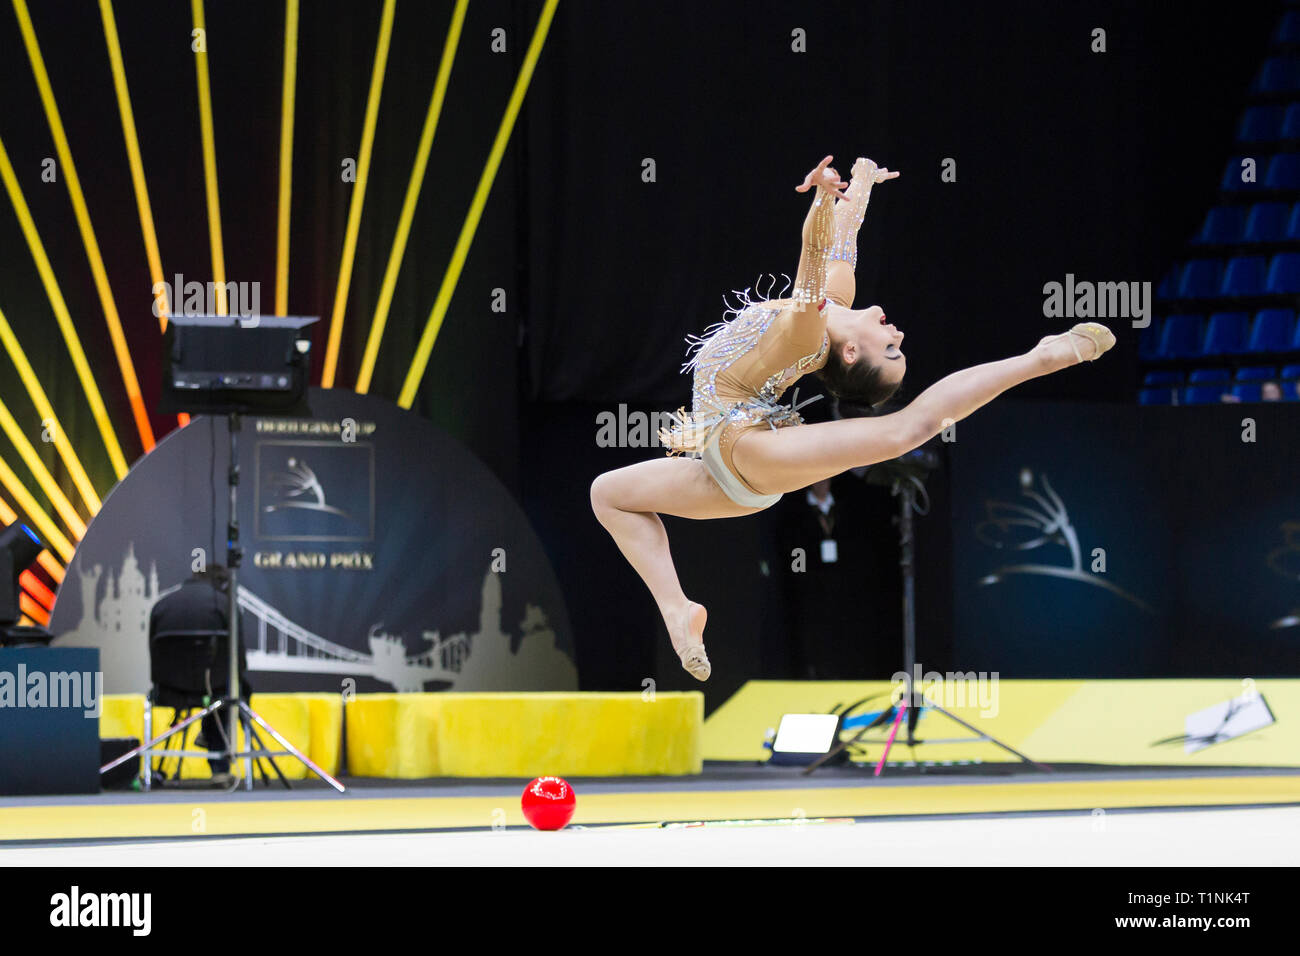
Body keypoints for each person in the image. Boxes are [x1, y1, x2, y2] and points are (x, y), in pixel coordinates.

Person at [590, 155, 1114, 681]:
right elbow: (842, 245)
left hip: (744, 447)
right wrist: (861, 179)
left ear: (847, 357)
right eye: (897, 349)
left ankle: (1042, 357)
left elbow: (812, 255)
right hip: (727, 471)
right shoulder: (836, 303)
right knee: (607, 494)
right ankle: (678, 612)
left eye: (890, 352)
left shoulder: (808, 331)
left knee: (905, 429)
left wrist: (821, 196)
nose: (899, 337)